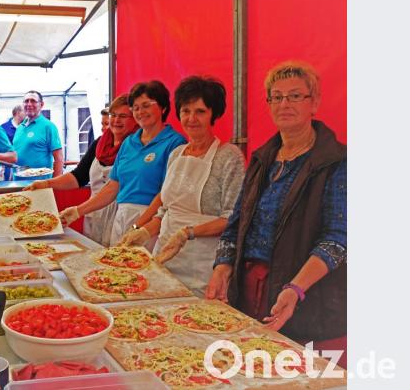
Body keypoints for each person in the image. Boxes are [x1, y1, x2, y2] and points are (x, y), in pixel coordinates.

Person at [206, 61, 347, 366]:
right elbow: (237, 222)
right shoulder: (262, 158)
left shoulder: (336, 161)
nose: (285, 103)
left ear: (315, 103)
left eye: (295, 96)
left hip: (306, 294)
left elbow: (338, 239)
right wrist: (223, 265)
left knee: (295, 373)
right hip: (251, 289)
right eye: (277, 97)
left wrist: (296, 288)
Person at [119, 76, 245, 296]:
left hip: (202, 266)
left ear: (214, 114)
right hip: (164, 256)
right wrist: (142, 232)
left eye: (200, 111)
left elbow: (232, 218)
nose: (191, 118)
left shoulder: (230, 156)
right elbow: (165, 209)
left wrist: (188, 233)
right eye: (186, 111)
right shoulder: (177, 154)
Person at [59, 81, 186, 246]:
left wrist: (138, 226)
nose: (140, 112)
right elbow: (113, 187)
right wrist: (77, 211)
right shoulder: (129, 143)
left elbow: (165, 194)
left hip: (151, 222)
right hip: (121, 216)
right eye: (136, 107)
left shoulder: (175, 143)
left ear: (163, 107)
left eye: (146, 105)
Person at [24, 94, 138, 245]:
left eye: (123, 116)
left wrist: (78, 210)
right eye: (113, 115)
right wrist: (46, 183)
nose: (116, 120)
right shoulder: (100, 143)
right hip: (93, 214)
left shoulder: (136, 147)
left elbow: (115, 188)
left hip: (121, 216)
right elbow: (79, 176)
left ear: (135, 118)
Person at [12, 90, 63, 179]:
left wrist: (55, 184)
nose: (29, 104)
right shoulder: (20, 127)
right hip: (17, 184)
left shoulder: (48, 126)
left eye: (33, 101)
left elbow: (59, 159)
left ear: (41, 105)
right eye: (26, 101)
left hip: (40, 185)